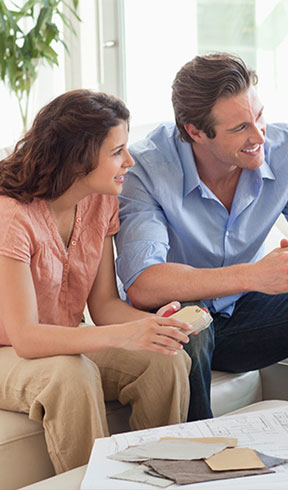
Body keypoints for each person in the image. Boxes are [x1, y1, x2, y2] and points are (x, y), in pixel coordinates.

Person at [115, 52, 288, 421]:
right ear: (195, 131)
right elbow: (143, 283)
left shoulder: (285, 150)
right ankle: (202, 462)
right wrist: (255, 275)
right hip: (180, 317)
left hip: (246, 315)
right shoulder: (145, 169)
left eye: (258, 117)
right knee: (188, 328)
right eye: (240, 128)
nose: (259, 136)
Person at [0, 89, 193, 474]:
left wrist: (149, 327)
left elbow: (103, 305)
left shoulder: (100, 201)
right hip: (11, 351)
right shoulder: (12, 217)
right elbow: (25, 337)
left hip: (61, 341)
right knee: (72, 374)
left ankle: (161, 478)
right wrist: (121, 336)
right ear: (78, 159)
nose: (129, 161)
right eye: (117, 151)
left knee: (164, 358)